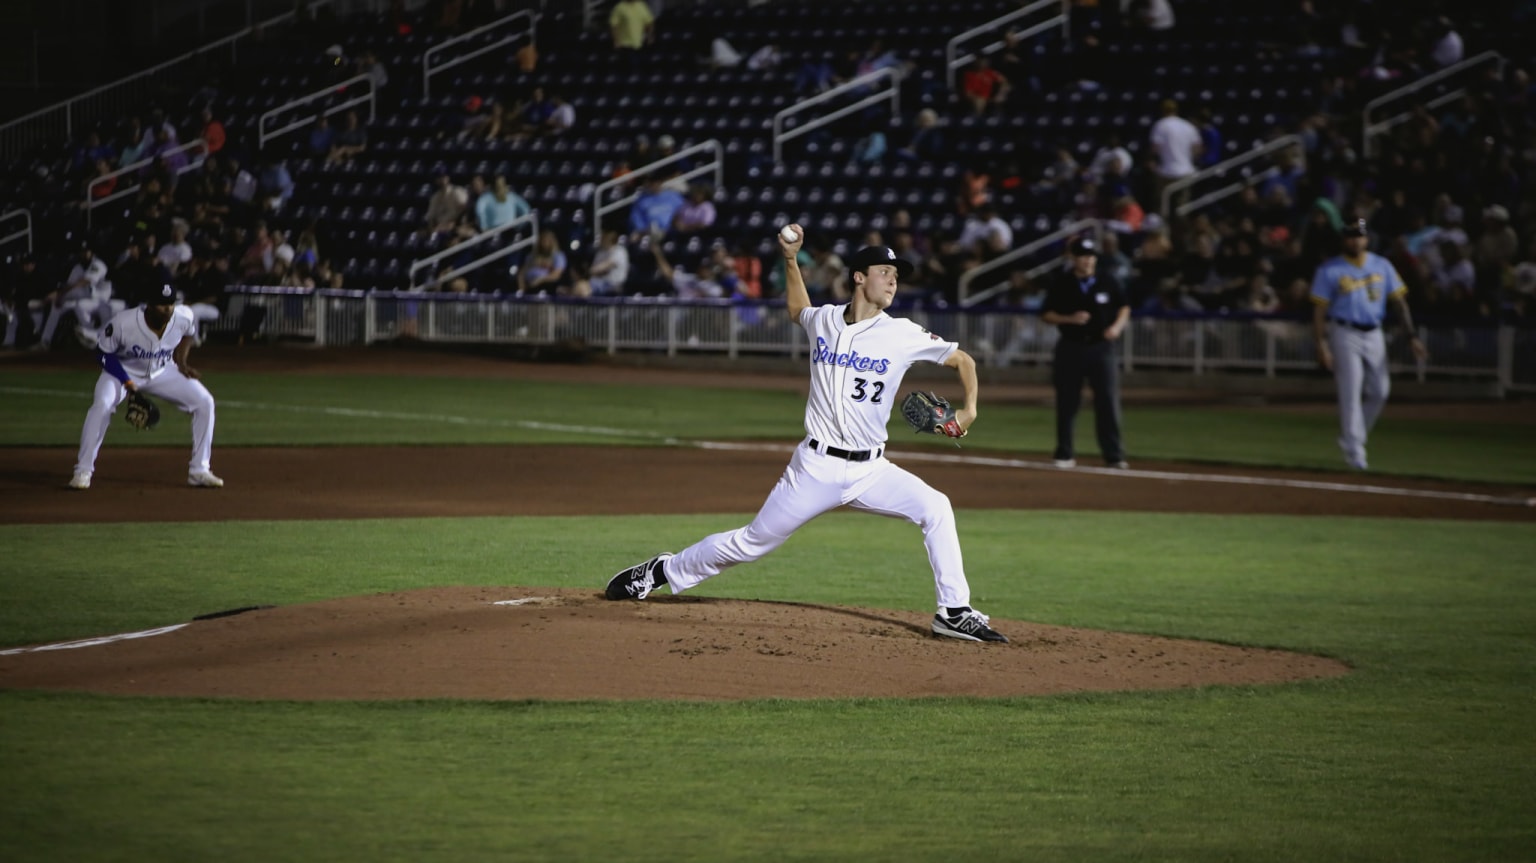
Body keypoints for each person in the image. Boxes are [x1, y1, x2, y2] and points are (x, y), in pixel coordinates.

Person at [605, 229, 1008, 644]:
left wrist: (969, 409)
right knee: (751, 543)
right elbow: (799, 308)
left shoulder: (903, 333)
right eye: (884, 272)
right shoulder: (826, 320)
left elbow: (963, 360)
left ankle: (954, 612)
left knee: (936, 507)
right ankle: (661, 571)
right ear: (858, 277)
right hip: (815, 468)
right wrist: (790, 259)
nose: (893, 280)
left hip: (872, 469)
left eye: (896, 275)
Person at [69, 281, 221, 490]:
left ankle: (199, 470)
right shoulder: (124, 322)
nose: (167, 309)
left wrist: (182, 363)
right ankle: (83, 471)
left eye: (170, 304)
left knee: (205, 402)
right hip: (122, 372)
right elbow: (103, 353)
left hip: (163, 371)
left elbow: (188, 334)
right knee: (101, 406)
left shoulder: (183, 316)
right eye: (161, 304)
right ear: (149, 304)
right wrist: (127, 382)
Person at [1309, 219, 1428, 470]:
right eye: (1351, 235)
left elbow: (1399, 302)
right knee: (1351, 390)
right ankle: (1355, 452)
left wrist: (1412, 336)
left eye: (1359, 236)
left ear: (1367, 239)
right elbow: (1319, 310)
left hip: (1374, 332)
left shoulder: (1381, 265)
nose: (1355, 240)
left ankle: (1353, 438)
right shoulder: (1330, 269)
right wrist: (1321, 344)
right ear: (1344, 239)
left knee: (1380, 390)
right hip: (1344, 332)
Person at [1041, 237, 1130, 469]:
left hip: (1102, 348)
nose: (1088, 260)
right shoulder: (1062, 282)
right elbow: (1046, 313)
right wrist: (1069, 319)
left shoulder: (1107, 280)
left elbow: (1124, 306)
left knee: (1108, 401)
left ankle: (1114, 455)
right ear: (1073, 258)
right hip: (1071, 346)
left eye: (1091, 256)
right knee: (1067, 402)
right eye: (1083, 256)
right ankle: (1064, 453)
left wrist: (1117, 328)